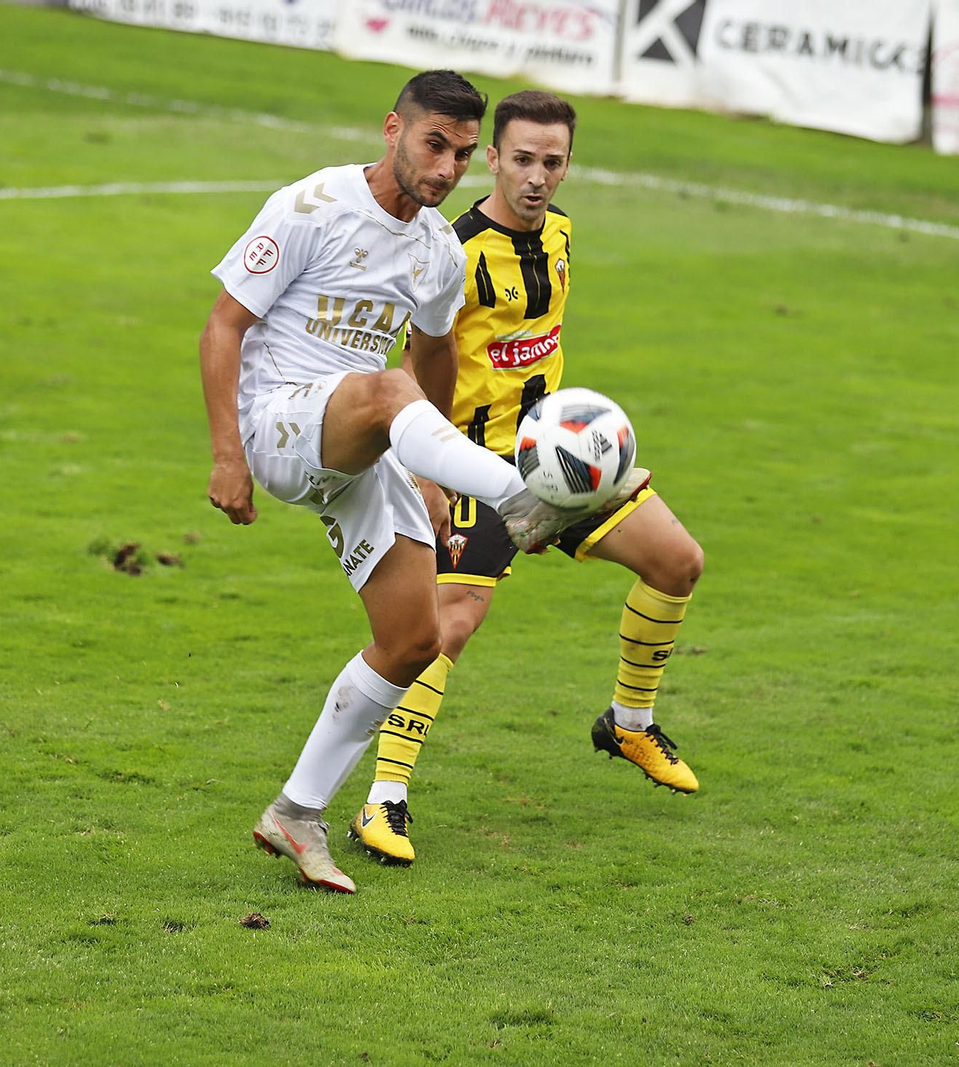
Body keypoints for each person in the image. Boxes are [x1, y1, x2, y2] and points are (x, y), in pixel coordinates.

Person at [199, 72, 647, 893]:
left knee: (416, 639)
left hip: (365, 434)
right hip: (279, 422)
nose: (446, 168)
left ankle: (296, 813)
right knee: (385, 385)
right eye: (434, 144)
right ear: (392, 129)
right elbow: (225, 325)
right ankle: (532, 493)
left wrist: (428, 469)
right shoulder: (313, 206)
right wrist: (229, 454)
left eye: (463, 153)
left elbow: (435, 352)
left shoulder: (439, 249)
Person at [348, 90, 705, 867]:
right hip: (474, 466)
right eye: (522, 160)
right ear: (492, 159)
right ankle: (383, 799)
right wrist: (426, 470)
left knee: (678, 561)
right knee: (449, 626)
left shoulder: (564, 236)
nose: (538, 177)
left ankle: (628, 723)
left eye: (553, 162)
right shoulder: (455, 250)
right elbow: (414, 365)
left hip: (563, 463)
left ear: (568, 164)